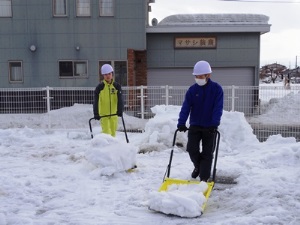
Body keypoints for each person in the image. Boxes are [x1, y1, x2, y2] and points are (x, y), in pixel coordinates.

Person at [177, 60, 223, 182]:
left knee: (207, 153)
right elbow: (186, 107)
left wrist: (214, 123)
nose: (198, 78)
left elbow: (218, 108)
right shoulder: (192, 90)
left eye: (200, 76)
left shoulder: (216, 89)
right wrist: (181, 122)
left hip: (210, 127)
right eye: (196, 76)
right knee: (192, 149)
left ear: (208, 75)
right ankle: (198, 166)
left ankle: (204, 178)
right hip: (195, 125)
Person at [93, 64, 124, 137]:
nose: (108, 76)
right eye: (105, 74)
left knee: (113, 134)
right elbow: (96, 101)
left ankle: (113, 148)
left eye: (109, 74)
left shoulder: (117, 86)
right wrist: (96, 113)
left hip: (114, 114)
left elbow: (120, 99)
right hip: (104, 115)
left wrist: (120, 110)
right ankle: (106, 147)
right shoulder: (100, 87)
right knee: (106, 133)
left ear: (112, 74)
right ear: (103, 75)